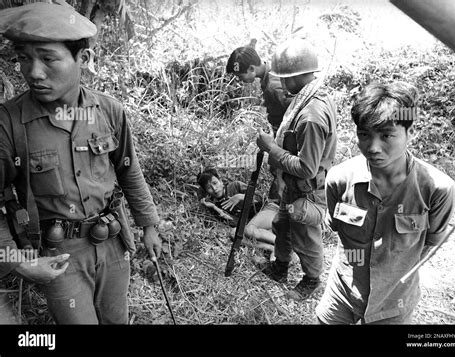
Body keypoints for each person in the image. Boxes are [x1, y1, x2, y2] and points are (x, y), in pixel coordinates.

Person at [0, 2, 162, 324]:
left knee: (117, 319)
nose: (33, 72)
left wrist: (149, 225)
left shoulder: (109, 111)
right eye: (23, 58)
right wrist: (19, 261)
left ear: (83, 59)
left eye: (48, 58)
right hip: (59, 256)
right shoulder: (9, 124)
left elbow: (129, 170)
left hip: (113, 241)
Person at [315, 82, 455, 324]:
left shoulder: (437, 189)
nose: (373, 148)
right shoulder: (339, 179)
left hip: (394, 304)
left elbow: (430, 241)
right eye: (364, 135)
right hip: (342, 293)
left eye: (387, 135)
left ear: (409, 133)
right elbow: (337, 229)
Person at [256, 39, 338, 300]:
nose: (279, 84)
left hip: (306, 191)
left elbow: (306, 168)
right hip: (291, 187)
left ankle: (311, 280)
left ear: (298, 77)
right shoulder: (306, 97)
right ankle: (280, 268)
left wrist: (271, 149)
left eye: (283, 79)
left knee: (306, 239)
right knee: (282, 224)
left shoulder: (311, 115)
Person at [226, 46, 293, 202]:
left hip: (287, 141)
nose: (240, 79)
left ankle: (276, 209)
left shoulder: (274, 85)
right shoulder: (269, 75)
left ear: (251, 68)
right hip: (279, 136)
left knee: (281, 179)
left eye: (240, 75)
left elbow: (296, 111)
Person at [197, 167, 277, 252]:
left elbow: (261, 198)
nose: (214, 188)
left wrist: (241, 197)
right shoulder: (215, 205)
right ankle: (269, 247)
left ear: (220, 180)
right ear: (206, 191)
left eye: (215, 183)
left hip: (267, 211)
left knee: (249, 230)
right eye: (209, 188)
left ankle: (280, 244)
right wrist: (215, 208)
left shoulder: (234, 186)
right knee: (234, 232)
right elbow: (236, 223)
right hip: (253, 225)